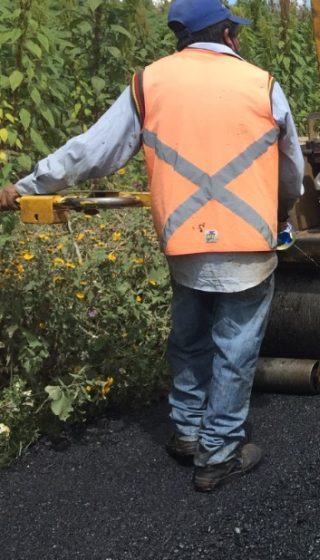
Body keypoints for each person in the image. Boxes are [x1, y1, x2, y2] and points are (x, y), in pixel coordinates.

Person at [0, 0, 304, 491]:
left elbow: (92, 150)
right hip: (249, 247)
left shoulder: (150, 83)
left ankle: (186, 433)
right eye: (237, 32)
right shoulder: (262, 83)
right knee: (235, 348)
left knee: (188, 338)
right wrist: (283, 211)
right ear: (226, 34)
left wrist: (30, 185)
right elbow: (292, 171)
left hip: (183, 246)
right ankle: (218, 454)